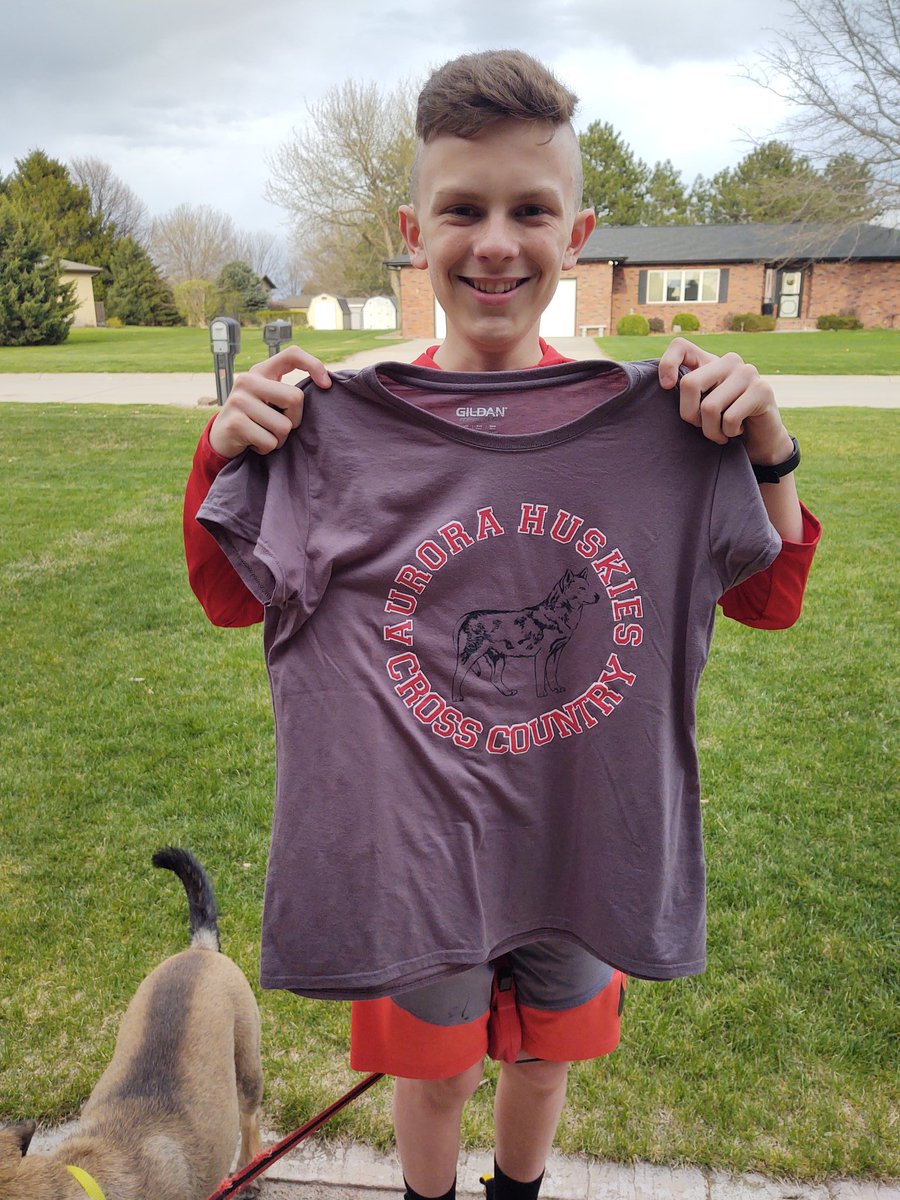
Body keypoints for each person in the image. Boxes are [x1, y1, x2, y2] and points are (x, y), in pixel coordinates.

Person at [184, 51, 820, 1200]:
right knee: (433, 1079)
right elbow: (234, 596)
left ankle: (518, 1194)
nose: (494, 243)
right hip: (414, 859)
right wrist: (226, 454)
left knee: (541, 1062)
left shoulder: (665, 422)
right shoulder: (332, 425)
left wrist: (765, 449)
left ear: (578, 231)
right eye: (462, 208)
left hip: (583, 840)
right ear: (411, 227)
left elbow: (768, 595)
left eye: (530, 210)